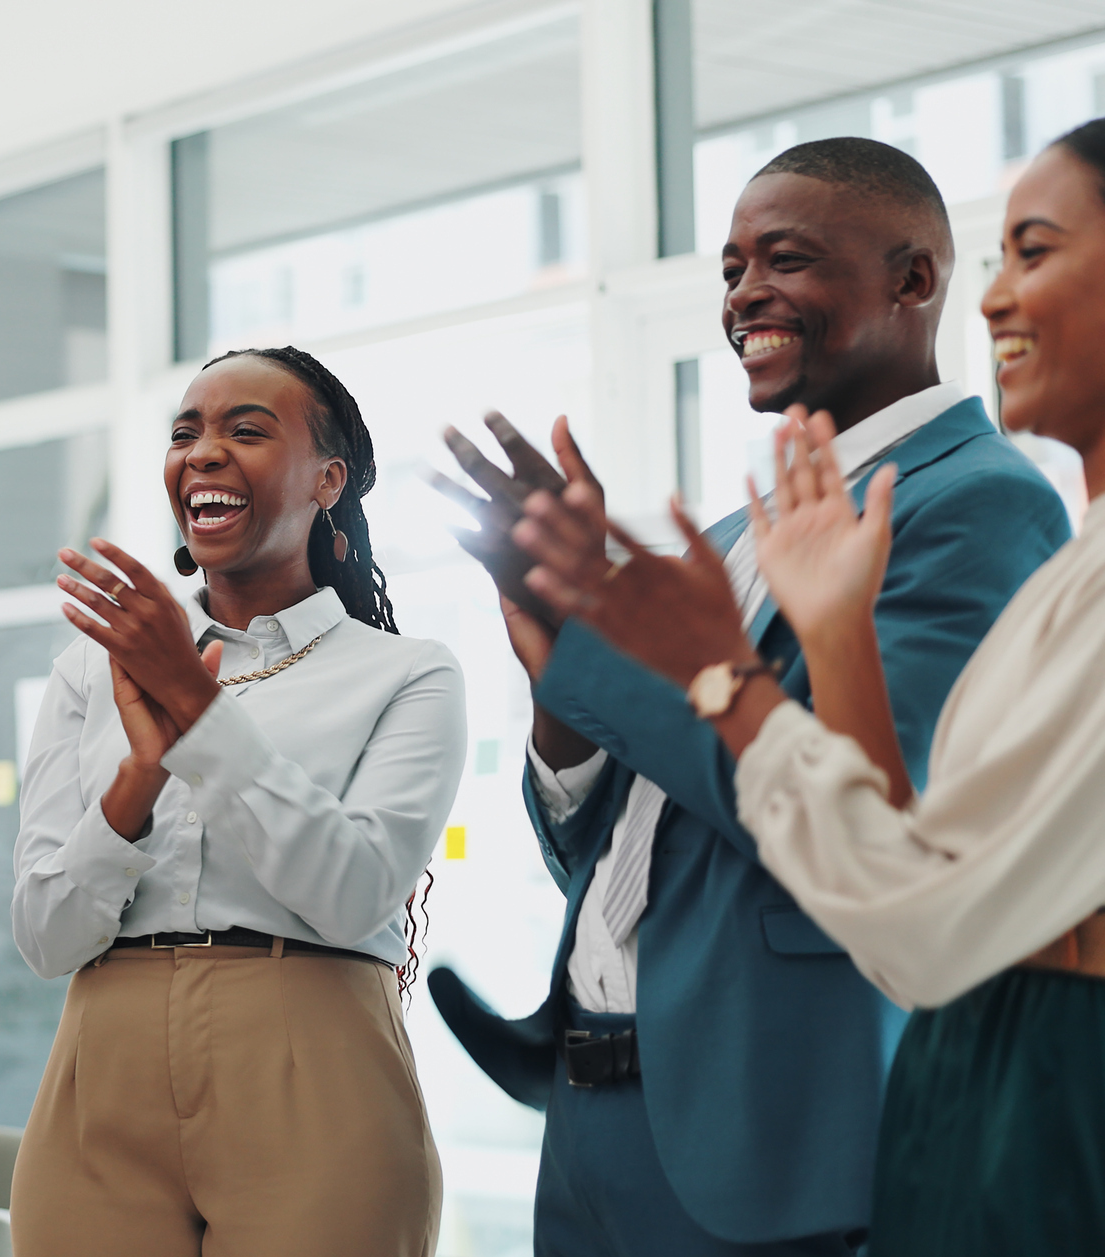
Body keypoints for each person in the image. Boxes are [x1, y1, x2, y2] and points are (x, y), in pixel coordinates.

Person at [428, 137, 1070, 1256]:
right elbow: (598, 844)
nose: (743, 295)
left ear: (911, 281)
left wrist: (615, 648)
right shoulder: (730, 539)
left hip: (760, 1136)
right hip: (588, 1123)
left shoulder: (977, 506)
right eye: (728, 269)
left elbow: (861, 808)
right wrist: (555, 657)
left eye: (785, 259)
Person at [6, 347, 464, 1257]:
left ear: (327, 478)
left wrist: (197, 709)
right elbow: (47, 934)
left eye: (245, 430)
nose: (203, 452)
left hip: (313, 1059)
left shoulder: (409, 674)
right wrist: (139, 779)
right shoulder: (88, 671)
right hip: (102, 1066)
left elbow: (355, 892)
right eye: (186, 433)